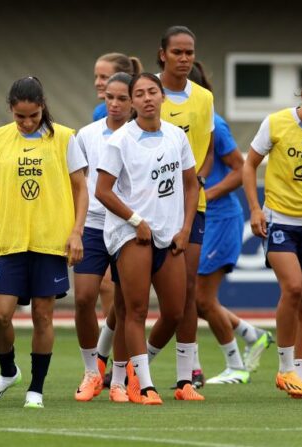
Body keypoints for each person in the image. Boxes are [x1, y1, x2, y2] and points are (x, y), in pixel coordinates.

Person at [0, 76, 88, 409]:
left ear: (43, 108)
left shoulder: (65, 138)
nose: (26, 122)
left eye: (34, 116)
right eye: (20, 116)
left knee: (42, 315)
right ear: (11, 109)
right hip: (10, 240)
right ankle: (8, 371)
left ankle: (36, 389)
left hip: (50, 240)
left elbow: (81, 189)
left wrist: (77, 231)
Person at [96, 72, 199, 405]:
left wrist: (185, 229)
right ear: (132, 102)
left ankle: (136, 371)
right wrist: (135, 220)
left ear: (162, 97)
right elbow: (102, 191)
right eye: (138, 94)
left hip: (170, 236)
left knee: (174, 311)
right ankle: (146, 385)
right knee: (136, 310)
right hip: (132, 235)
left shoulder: (175, 137)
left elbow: (191, 184)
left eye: (152, 91)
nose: (147, 98)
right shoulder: (121, 140)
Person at [243, 66, 302, 398]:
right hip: (281, 220)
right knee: (294, 288)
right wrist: (256, 209)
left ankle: (300, 376)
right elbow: (249, 164)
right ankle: (284, 369)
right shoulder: (276, 123)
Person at [187, 62, 272, 385]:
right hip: (199, 219)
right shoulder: (179, 125)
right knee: (192, 299)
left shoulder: (215, 126)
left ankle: (235, 365)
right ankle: (252, 335)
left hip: (220, 220)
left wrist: (203, 195)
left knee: (201, 300)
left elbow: (241, 169)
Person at [143, 26, 212, 399]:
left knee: (187, 291)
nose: (184, 58)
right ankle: (113, 366)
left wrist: (197, 177)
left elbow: (208, 144)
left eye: (190, 52)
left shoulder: (202, 98)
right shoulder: (147, 90)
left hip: (189, 207)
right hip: (146, 209)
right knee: (128, 299)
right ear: (162, 54)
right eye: (178, 52)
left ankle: (186, 377)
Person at [72, 71, 136, 402]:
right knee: (83, 298)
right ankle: (91, 372)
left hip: (126, 227)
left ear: (134, 100)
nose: (114, 103)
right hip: (95, 226)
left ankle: (120, 381)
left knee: (123, 305)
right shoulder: (85, 135)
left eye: (122, 98)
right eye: (109, 97)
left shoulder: (142, 136)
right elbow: (79, 186)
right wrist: (76, 229)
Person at [92, 53, 143, 122]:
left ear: (122, 77)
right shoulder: (100, 112)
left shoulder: (145, 113)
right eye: (96, 77)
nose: (97, 83)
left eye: (104, 77)